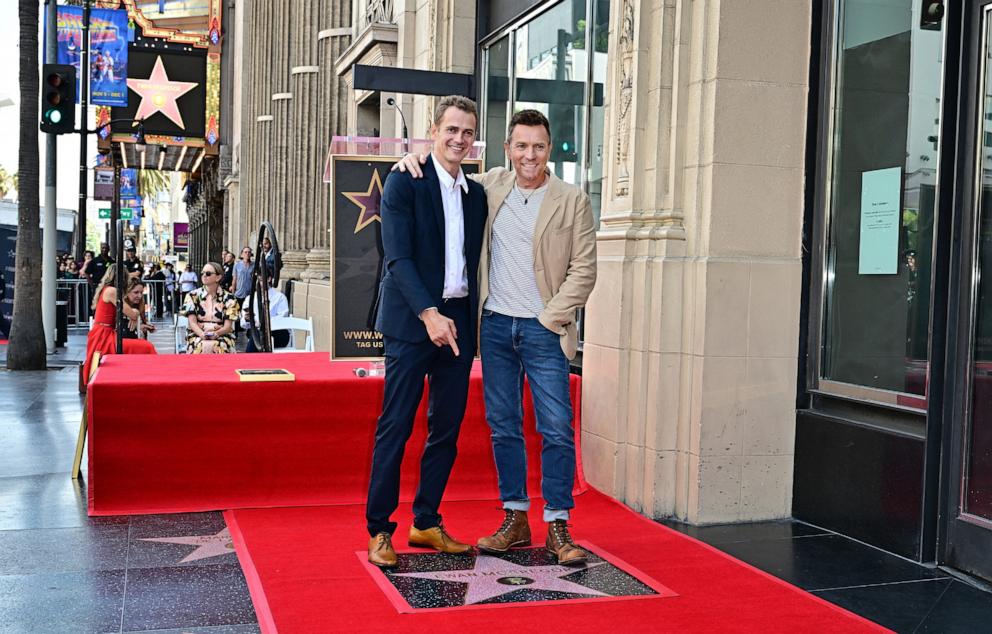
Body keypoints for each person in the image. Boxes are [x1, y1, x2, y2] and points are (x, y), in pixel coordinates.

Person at [396, 109, 597, 565]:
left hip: (544, 330)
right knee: (504, 427)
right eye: (521, 146)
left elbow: (584, 270)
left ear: (550, 149)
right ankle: (515, 517)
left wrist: (549, 318)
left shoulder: (572, 200)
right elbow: (444, 170)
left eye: (539, 146)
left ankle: (559, 525)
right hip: (495, 327)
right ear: (507, 150)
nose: (530, 155)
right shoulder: (491, 186)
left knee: (556, 429)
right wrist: (409, 159)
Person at [365, 95, 488, 569]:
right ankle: (380, 530)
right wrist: (428, 314)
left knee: (447, 427)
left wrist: (448, 318)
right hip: (412, 323)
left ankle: (426, 520)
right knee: (395, 426)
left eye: (467, 132)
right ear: (433, 131)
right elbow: (397, 258)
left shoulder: (477, 193)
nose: (459, 139)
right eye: (451, 130)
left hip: (457, 322)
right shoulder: (403, 180)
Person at [82, 265, 157, 384]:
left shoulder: (106, 289)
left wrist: (135, 317)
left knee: (140, 345)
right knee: (147, 347)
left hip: (103, 334)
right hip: (105, 338)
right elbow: (132, 314)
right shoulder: (112, 291)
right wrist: (135, 314)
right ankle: (151, 378)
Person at [181, 261, 239, 354]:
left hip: (222, 334)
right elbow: (192, 322)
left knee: (221, 346)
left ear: (218, 277)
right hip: (197, 334)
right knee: (198, 346)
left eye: (208, 273)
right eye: (202, 273)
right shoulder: (192, 295)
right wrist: (201, 334)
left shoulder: (229, 298)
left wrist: (216, 334)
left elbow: (228, 326)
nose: (204, 275)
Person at [241, 274, 290, 352]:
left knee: (259, 336)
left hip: (276, 333)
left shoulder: (279, 297)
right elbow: (243, 323)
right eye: (256, 280)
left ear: (269, 279)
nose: (258, 283)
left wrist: (262, 323)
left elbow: (282, 318)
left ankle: (249, 360)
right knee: (256, 335)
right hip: (256, 333)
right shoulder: (250, 298)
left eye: (260, 280)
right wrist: (247, 319)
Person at [232, 247, 253, 332]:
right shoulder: (237, 265)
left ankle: (249, 332)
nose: (247, 254)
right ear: (242, 254)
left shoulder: (254, 265)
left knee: (249, 314)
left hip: (249, 293)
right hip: (239, 293)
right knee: (237, 313)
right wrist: (233, 293)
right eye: (245, 252)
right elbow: (234, 279)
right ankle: (236, 332)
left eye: (249, 252)